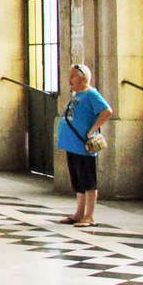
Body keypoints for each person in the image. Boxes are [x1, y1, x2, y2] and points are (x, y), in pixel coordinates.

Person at [57, 64, 113, 227]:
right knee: (78, 181)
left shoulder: (91, 94)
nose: (69, 80)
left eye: (72, 76)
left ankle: (89, 216)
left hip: (83, 145)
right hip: (72, 144)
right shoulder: (78, 94)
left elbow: (107, 111)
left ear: (82, 77)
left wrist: (92, 130)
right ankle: (78, 213)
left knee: (88, 180)